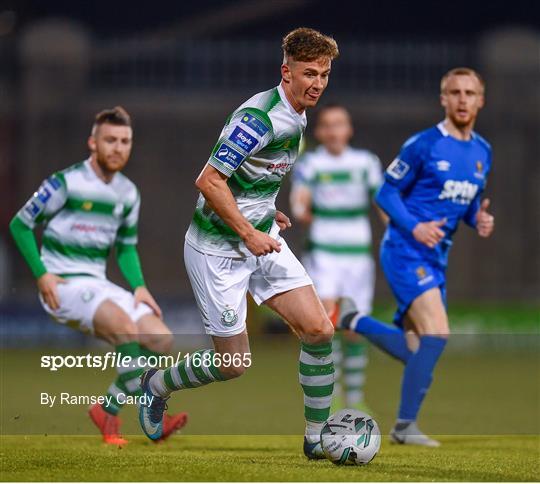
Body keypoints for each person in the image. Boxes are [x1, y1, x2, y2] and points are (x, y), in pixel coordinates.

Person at [138, 28, 339, 459]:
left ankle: (317, 438)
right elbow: (209, 180)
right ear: (285, 72)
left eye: (324, 74)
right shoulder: (259, 119)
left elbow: (256, 177)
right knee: (234, 365)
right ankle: (154, 385)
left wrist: (267, 210)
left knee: (320, 330)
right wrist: (247, 231)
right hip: (218, 250)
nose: (318, 83)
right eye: (309, 73)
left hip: (262, 236)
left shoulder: (298, 113)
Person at [334, 67, 495, 446]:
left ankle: (353, 319)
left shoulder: (482, 151)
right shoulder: (423, 144)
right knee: (437, 334)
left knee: (416, 350)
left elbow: (466, 203)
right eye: (454, 92)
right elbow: (386, 194)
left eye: (469, 93)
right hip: (406, 250)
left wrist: (479, 219)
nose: (461, 99)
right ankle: (405, 427)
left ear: (480, 100)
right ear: (443, 99)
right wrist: (415, 227)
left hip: (437, 256)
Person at [9, 107, 187, 445]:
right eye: (110, 140)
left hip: (98, 283)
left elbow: (125, 247)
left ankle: (107, 410)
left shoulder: (128, 193)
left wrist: (139, 287)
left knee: (160, 338)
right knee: (124, 326)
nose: (118, 148)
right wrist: (41, 274)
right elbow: (20, 224)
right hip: (63, 283)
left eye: (125, 141)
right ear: (93, 142)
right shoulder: (65, 183)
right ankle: (151, 410)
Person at [290, 104, 385, 413]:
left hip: (358, 255)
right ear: (319, 132)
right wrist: (302, 212)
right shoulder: (310, 164)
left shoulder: (366, 163)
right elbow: (299, 202)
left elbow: (382, 202)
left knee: (356, 328)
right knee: (326, 324)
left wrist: (396, 228)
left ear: (349, 129)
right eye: (327, 125)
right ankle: (333, 397)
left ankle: (356, 398)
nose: (333, 131)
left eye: (339, 124)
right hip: (324, 254)